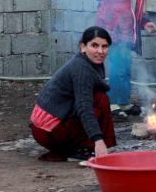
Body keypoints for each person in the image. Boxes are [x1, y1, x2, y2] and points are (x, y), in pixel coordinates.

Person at [90, 0, 156, 120]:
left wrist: (146, 23)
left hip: (127, 33)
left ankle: (124, 102)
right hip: (112, 32)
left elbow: (134, 10)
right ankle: (112, 104)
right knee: (117, 69)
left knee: (126, 68)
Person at [30, 26, 117, 161]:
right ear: (83, 47)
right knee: (100, 100)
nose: (100, 51)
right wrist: (98, 140)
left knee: (100, 97)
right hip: (48, 131)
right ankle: (85, 148)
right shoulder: (81, 68)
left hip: (50, 127)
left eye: (104, 47)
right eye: (94, 45)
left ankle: (91, 146)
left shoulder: (91, 63)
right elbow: (84, 107)